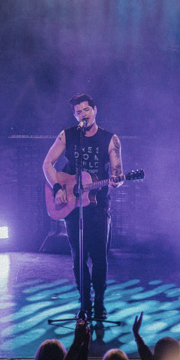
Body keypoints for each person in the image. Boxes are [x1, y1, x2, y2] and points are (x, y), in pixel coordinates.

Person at [42, 94, 124, 319]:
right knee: (78, 257)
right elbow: (47, 163)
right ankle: (84, 303)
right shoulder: (67, 135)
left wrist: (117, 179)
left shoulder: (110, 139)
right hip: (73, 205)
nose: (83, 115)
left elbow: (117, 171)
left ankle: (99, 302)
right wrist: (58, 187)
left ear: (94, 110)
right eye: (78, 112)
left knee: (99, 257)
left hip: (98, 206)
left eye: (86, 110)